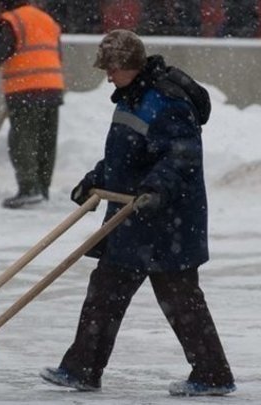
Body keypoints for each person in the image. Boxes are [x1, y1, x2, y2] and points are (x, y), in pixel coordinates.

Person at [39, 30, 236, 397]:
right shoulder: (131, 98)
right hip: (131, 219)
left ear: (129, 65)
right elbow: (124, 156)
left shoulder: (167, 101)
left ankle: (213, 376)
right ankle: (82, 370)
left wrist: (155, 189)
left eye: (111, 68)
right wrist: (94, 180)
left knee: (181, 300)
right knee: (104, 293)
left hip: (166, 220)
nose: (108, 76)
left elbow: (181, 155)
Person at [0, 0, 65, 209]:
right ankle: (42, 188)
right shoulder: (47, 19)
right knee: (45, 141)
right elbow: (57, 54)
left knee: (23, 140)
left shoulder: (12, 20)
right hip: (52, 86)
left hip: (26, 88)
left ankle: (29, 189)